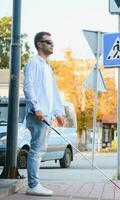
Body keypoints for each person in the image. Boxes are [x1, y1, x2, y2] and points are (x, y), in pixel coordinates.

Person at [23, 32, 65, 196]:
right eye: (48, 42)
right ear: (39, 44)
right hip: (38, 115)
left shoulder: (47, 67)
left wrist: (58, 112)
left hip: (47, 115)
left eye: (52, 42)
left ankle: (34, 183)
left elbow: (53, 93)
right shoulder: (33, 63)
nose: (51, 45)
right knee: (36, 150)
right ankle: (33, 185)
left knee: (40, 150)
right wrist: (36, 107)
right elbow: (28, 87)